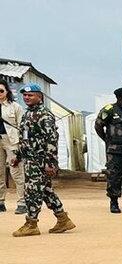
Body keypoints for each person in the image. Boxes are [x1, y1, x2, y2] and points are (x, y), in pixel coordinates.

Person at [12, 84, 75, 237]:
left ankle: (31, 224)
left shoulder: (44, 115)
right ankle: (63, 219)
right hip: (29, 159)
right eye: (25, 95)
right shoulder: (28, 114)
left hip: (39, 161)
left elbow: (52, 139)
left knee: (32, 191)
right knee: (46, 191)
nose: (26, 98)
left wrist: (50, 163)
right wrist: (18, 156)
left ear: (39, 96)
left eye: (30, 95)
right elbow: (25, 138)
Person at [0, 82, 25, 213]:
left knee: (16, 172)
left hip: (12, 141)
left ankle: (22, 202)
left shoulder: (15, 107)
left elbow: (22, 127)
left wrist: (22, 144)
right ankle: (0, 202)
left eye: (1, 91)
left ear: (7, 92)